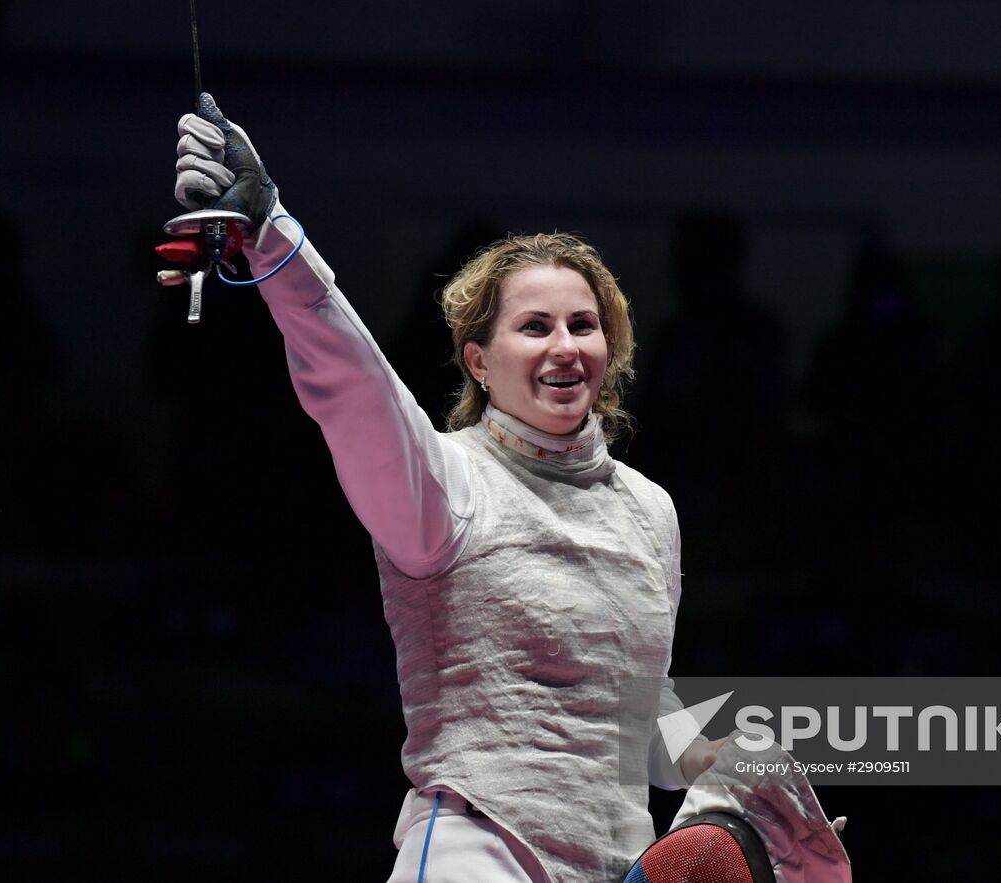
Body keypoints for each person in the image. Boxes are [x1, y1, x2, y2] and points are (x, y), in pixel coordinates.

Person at [171, 95, 726, 883]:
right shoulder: (448, 482)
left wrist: (731, 763)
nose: (564, 346)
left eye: (583, 325)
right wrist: (271, 232)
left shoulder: (649, 510)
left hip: (613, 864)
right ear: (478, 361)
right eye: (534, 326)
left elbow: (636, 704)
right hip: (479, 852)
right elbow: (352, 384)